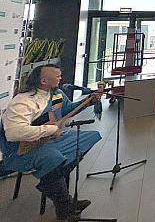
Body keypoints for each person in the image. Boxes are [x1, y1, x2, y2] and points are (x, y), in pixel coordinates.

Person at [0, 64, 102, 221]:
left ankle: (51, 181)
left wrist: (88, 101)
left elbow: (68, 109)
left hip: (50, 142)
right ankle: (64, 206)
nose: (60, 78)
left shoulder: (57, 94)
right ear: (44, 80)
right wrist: (50, 130)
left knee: (89, 137)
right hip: (21, 151)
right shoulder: (23, 102)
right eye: (57, 76)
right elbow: (14, 133)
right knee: (53, 157)